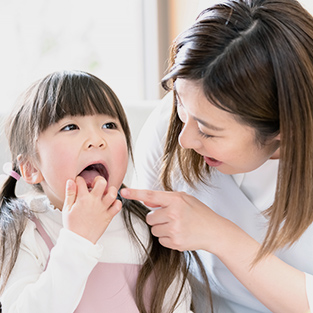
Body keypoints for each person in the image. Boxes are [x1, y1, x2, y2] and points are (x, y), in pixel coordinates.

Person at [121, 0, 313, 312]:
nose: (185, 139)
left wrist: (220, 236)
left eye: (209, 132)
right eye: (180, 102)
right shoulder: (171, 124)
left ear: (283, 129)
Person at [0, 70, 211, 313]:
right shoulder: (23, 230)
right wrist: (78, 241)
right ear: (30, 167)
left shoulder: (148, 227)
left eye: (109, 125)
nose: (97, 139)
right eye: (71, 127)